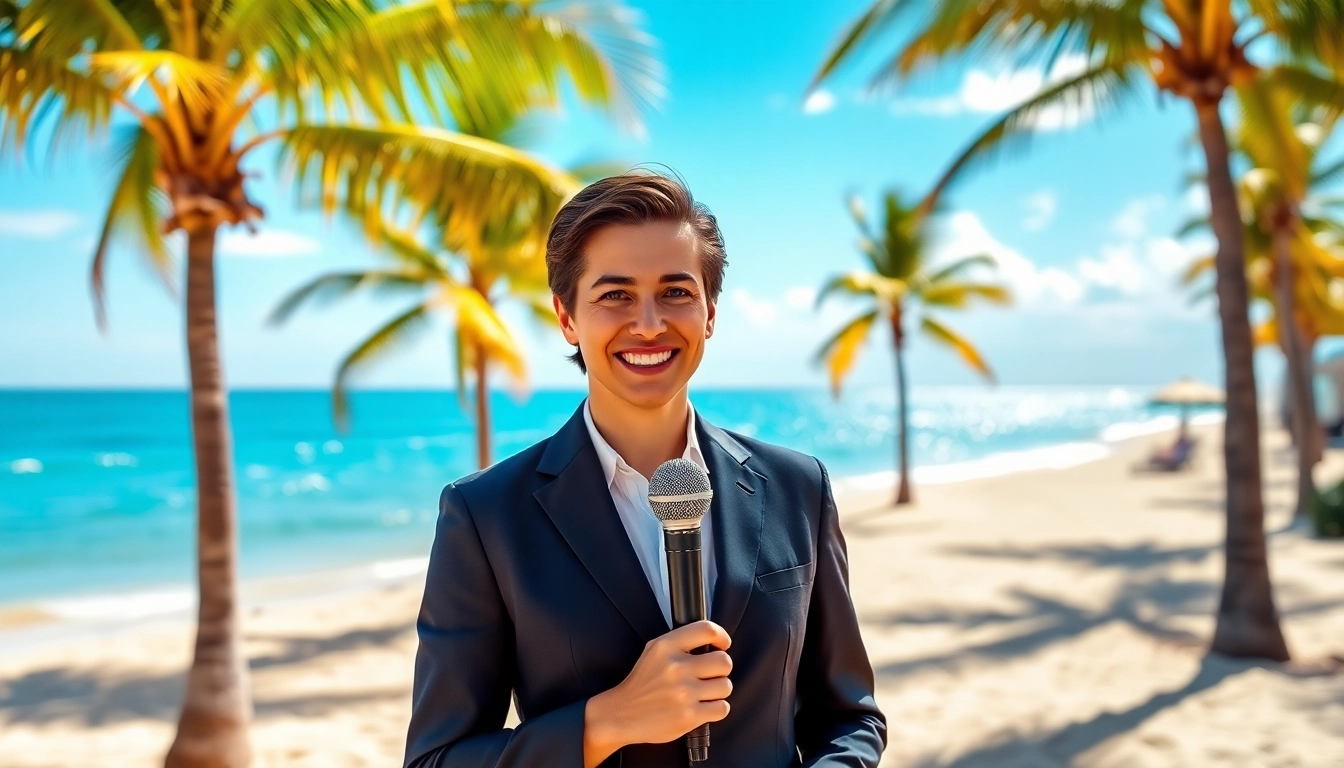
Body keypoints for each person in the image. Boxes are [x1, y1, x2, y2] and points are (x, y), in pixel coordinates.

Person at [404, 172, 886, 767]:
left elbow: (849, 716)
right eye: (615, 295)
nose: (651, 323)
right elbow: (436, 757)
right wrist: (608, 722)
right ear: (567, 318)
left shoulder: (797, 487)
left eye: (676, 292)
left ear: (710, 311)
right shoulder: (486, 516)